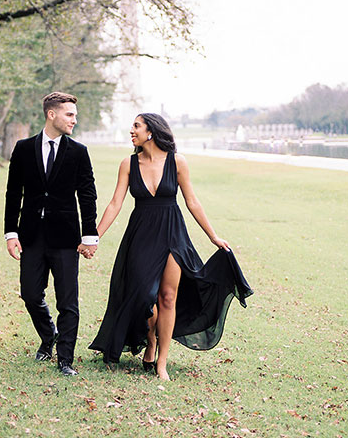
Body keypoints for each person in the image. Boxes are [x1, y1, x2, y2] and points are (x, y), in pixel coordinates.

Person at [89, 113, 252, 381]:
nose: (132, 130)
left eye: (136, 126)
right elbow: (115, 203)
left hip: (173, 233)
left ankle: (161, 361)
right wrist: (95, 236)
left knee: (167, 297)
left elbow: (192, 201)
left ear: (151, 131)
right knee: (142, 295)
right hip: (141, 234)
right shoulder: (128, 164)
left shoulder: (177, 162)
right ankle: (150, 338)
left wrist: (213, 236)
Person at [4, 92, 98, 377]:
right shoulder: (22, 149)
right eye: (70, 115)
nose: (74, 120)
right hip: (31, 235)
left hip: (66, 237)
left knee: (68, 300)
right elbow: (13, 193)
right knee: (31, 294)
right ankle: (49, 334)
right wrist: (11, 232)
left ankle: (65, 359)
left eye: (75, 115)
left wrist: (90, 235)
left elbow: (87, 195)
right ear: (51, 114)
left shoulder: (79, 152)